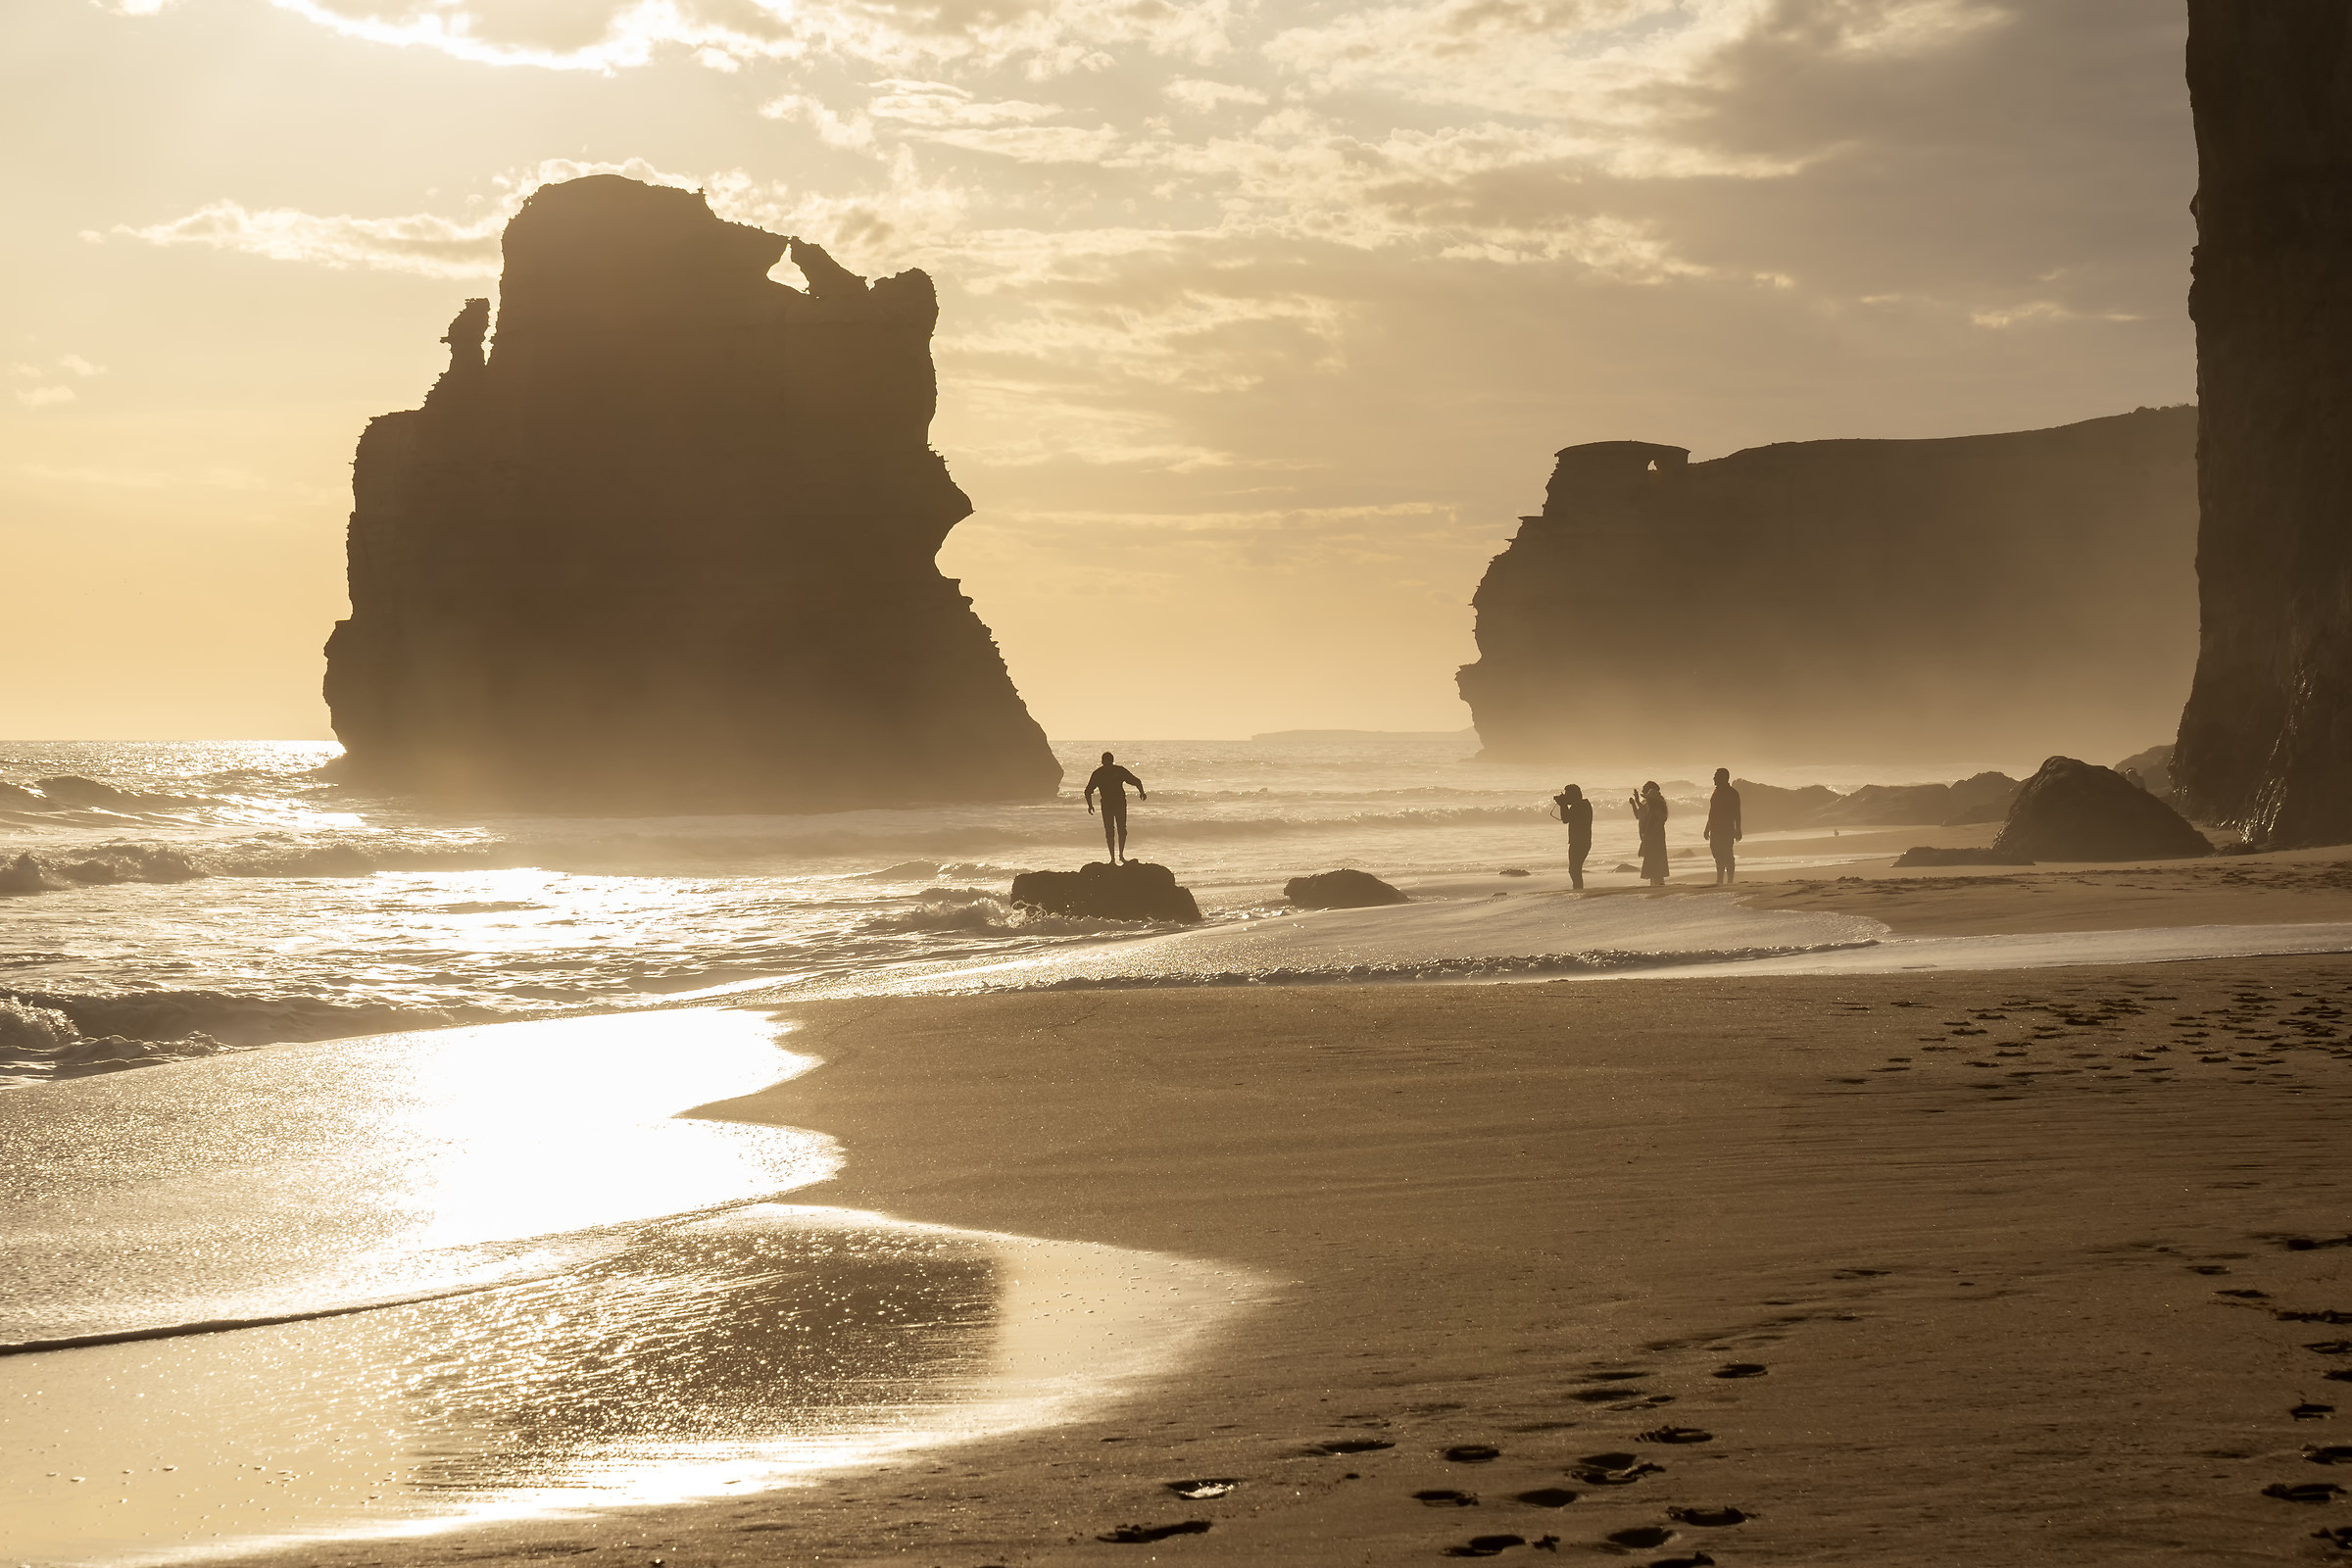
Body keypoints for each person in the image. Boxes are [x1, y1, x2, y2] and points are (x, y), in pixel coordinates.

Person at [1084, 751, 1147, 864]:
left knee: (1121, 830)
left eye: (1108, 762)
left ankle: (1120, 856)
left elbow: (1136, 781)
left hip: (1119, 804)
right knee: (1110, 831)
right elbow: (1087, 791)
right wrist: (1089, 805)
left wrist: (1142, 792)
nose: (1107, 764)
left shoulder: (1118, 771)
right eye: (1106, 762)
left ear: (1108, 761)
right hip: (1108, 805)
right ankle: (1113, 858)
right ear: (1103, 762)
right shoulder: (1099, 773)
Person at [1703, 767, 1742, 885]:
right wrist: (1707, 828)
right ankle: (1720, 879)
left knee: (1727, 854)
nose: (1713, 778)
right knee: (1717, 853)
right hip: (1715, 828)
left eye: (1716, 776)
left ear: (1723, 778)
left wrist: (1738, 829)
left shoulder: (1732, 793)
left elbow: (1737, 812)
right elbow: (1712, 811)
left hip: (1726, 829)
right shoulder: (1715, 792)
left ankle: (1729, 880)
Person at [1628, 780, 1669, 887]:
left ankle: (1657, 885)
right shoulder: (1653, 805)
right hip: (1652, 838)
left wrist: (1636, 802)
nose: (1642, 790)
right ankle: (1656, 885)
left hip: (1653, 838)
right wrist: (1635, 802)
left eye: (1644, 788)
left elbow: (1643, 815)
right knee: (1654, 863)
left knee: (1654, 862)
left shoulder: (1655, 807)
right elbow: (1641, 814)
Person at [1553, 783, 1593, 890]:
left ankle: (1578, 889)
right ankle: (1578, 888)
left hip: (1579, 842)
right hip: (1582, 841)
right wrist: (1564, 804)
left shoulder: (1579, 806)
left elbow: (1565, 819)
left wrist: (1563, 805)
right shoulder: (1584, 805)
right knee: (1575, 869)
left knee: (1574, 869)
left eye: (1568, 795)